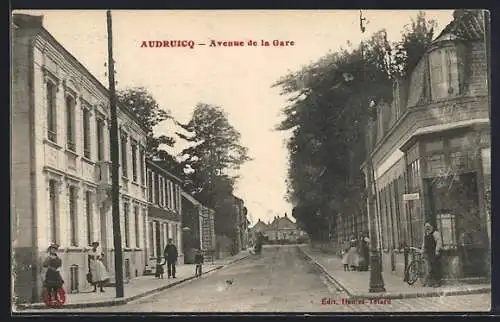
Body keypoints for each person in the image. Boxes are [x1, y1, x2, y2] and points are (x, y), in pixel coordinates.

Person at [421, 222, 443, 287]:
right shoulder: (425, 234)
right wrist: (422, 251)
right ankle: (431, 282)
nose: (427, 228)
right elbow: (424, 244)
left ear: (432, 227)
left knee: (435, 267)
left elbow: (439, 242)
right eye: (426, 227)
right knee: (429, 268)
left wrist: (437, 250)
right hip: (428, 253)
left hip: (434, 252)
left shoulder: (435, 233)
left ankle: (437, 282)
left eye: (428, 226)